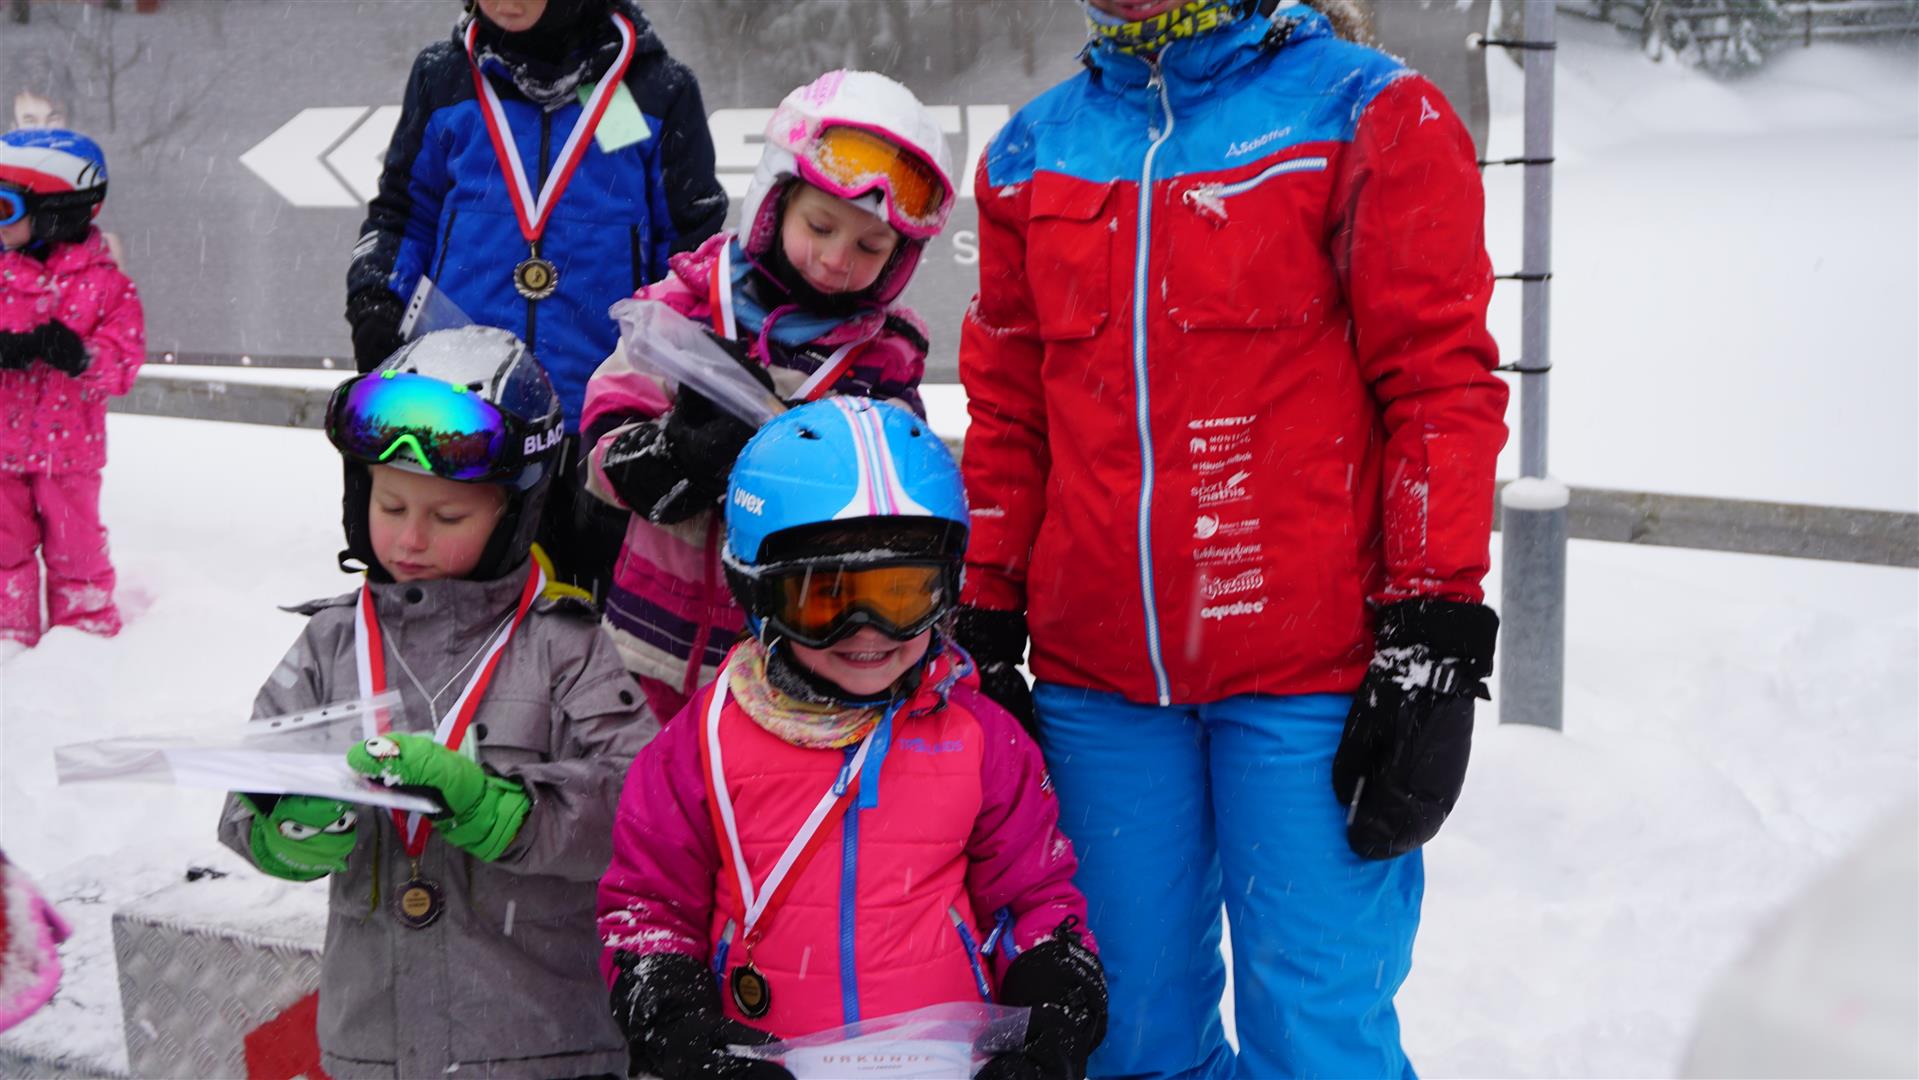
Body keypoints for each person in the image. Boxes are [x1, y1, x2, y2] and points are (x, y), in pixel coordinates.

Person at [953, 1, 1511, 1076]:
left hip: (1309, 675)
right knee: (1117, 1029)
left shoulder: (1365, 112)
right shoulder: (1032, 151)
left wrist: (1432, 631)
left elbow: (1437, 386)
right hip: (1097, 683)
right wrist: (982, 613)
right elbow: (1011, 414)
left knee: (1315, 1035)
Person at [596, 396, 1108, 1080]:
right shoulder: (700, 746)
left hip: (944, 1064)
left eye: (901, 596)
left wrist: (1054, 996)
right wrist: (674, 1019)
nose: (867, 631)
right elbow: (649, 906)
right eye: (825, 599)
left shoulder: (984, 740)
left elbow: (1036, 900)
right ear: (759, 594)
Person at [215, 328, 658, 1079]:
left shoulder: (564, 646)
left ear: (513, 516)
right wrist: (283, 829)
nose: (410, 539)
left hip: (544, 1047)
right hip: (374, 1047)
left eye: (447, 517)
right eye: (390, 505)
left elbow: (640, 813)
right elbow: (246, 799)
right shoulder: (330, 643)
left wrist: (508, 811)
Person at [579, 69, 955, 722]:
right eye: (820, 226)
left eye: (870, 246)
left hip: (793, 657)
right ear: (772, 204)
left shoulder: (885, 356)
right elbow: (602, 450)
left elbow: (899, 493)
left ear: (901, 257)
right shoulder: (686, 305)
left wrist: (810, 452)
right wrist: (673, 455)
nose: (837, 259)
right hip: (645, 648)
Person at [345, 0, 728, 599]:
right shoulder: (444, 79)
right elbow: (400, 214)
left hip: (601, 418)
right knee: (456, 611)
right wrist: (376, 295)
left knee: (593, 617)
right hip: (463, 419)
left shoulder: (654, 90)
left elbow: (690, 252)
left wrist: (677, 373)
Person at [0, 128, 143, 648]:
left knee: (77, 550)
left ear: (55, 212)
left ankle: (84, 641)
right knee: (2, 548)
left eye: (4, 207)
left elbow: (124, 363)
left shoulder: (107, 286)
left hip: (69, 454)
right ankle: (7, 638)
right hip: (1, 451)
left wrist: (82, 356)